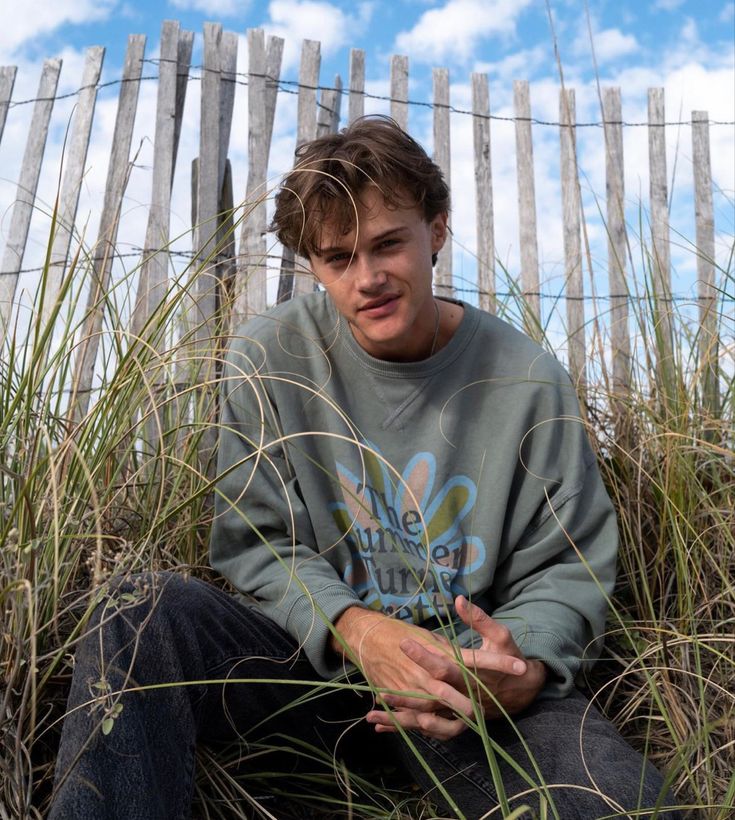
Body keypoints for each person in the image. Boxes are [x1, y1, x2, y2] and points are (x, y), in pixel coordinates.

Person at [50, 116, 678, 819]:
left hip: (461, 689)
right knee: (138, 610)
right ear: (311, 264)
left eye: (387, 245)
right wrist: (360, 630)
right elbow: (257, 540)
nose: (368, 278)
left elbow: (566, 568)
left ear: (436, 230)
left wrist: (521, 671)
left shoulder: (526, 380)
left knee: (622, 804)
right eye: (338, 257)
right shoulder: (268, 358)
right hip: (309, 670)